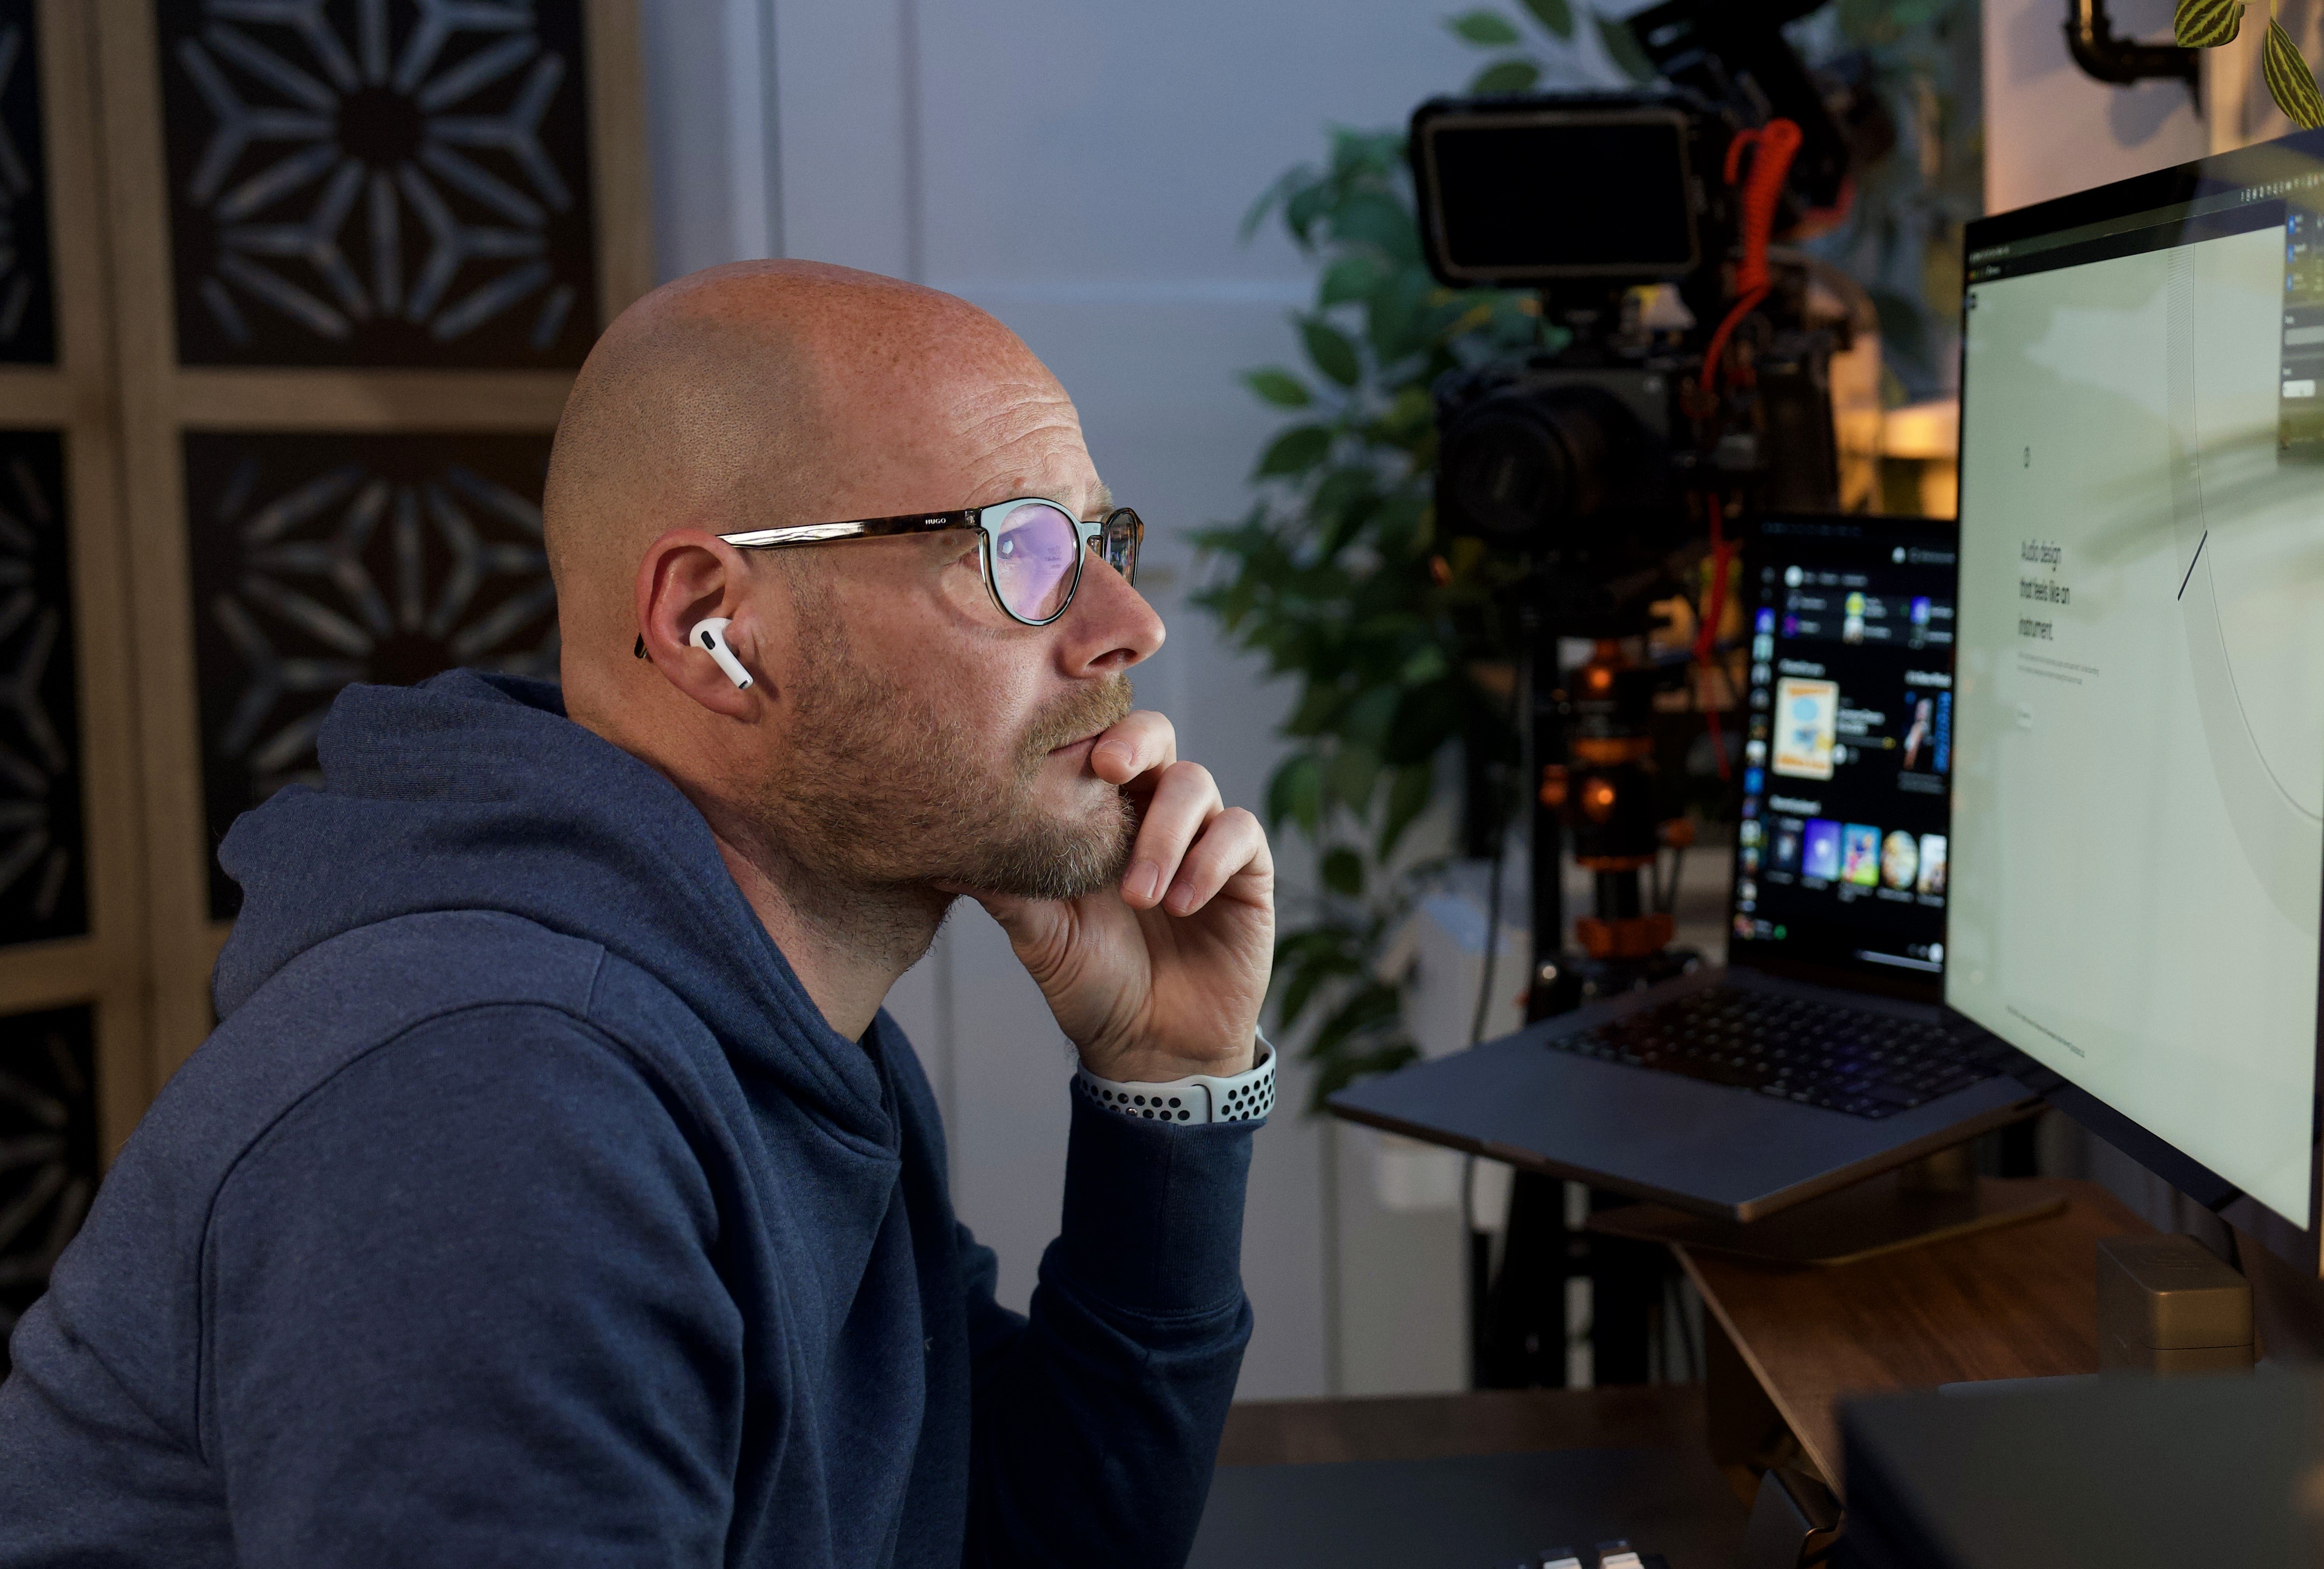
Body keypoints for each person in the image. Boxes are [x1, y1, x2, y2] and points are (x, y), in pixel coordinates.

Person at [0, 261, 1277, 1568]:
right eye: (1018, 548)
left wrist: (1166, 1083)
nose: (1131, 623)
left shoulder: (792, 1046)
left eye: (1096, 544)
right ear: (709, 623)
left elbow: (1029, 1540)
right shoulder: (492, 1099)